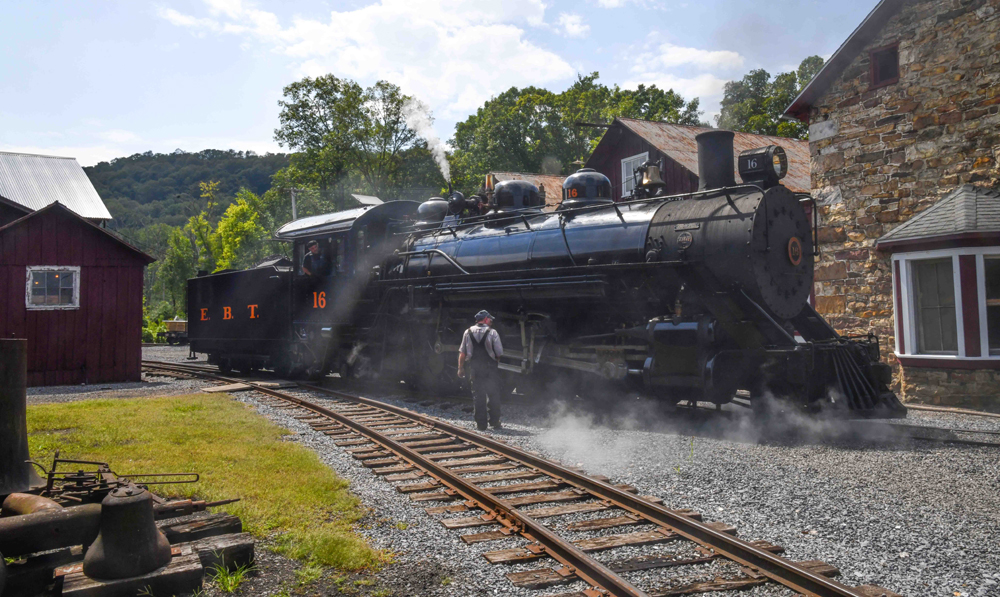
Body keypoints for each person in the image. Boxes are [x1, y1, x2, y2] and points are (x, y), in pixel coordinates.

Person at [457, 310, 504, 430]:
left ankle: (481, 425)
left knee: (478, 396)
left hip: (475, 368)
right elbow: (499, 353)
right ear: (486, 319)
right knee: (493, 395)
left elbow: (462, 353)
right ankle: (494, 422)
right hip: (490, 369)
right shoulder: (492, 333)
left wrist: (460, 368)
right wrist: (495, 360)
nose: (491, 321)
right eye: (490, 319)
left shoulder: (467, 332)